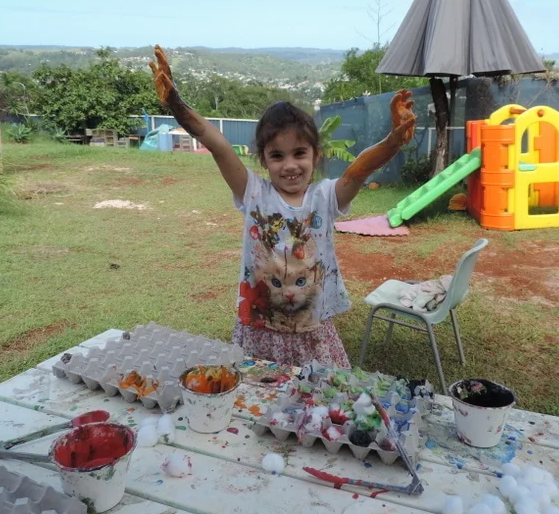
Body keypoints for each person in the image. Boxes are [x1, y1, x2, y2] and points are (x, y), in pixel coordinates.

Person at [149, 45, 416, 367]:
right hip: (259, 325)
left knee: (318, 402)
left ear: (316, 155)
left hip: (310, 325)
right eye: (277, 155)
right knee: (260, 399)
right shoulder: (252, 193)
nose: (289, 165)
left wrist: (393, 141)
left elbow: (359, 169)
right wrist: (175, 102)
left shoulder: (326, 197)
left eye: (299, 153)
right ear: (264, 160)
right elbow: (217, 144)